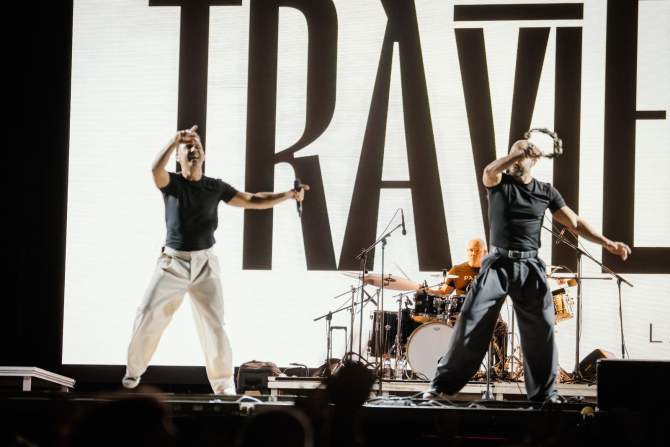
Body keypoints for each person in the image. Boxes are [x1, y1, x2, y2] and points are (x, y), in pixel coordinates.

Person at [424, 138, 630, 402]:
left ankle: (544, 396)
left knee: (541, 331)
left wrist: (608, 243)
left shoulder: (545, 192)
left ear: (534, 160)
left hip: (529, 265)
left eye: (522, 154)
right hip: (498, 264)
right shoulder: (499, 183)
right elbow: (489, 171)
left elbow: (575, 222)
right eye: (512, 153)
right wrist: (516, 155)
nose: (516, 157)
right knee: (471, 322)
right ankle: (441, 386)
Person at [122, 125, 308, 395]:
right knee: (149, 314)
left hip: (205, 264)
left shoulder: (215, 187)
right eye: (188, 147)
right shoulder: (172, 183)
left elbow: (253, 199)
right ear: (178, 157)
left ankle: (223, 386)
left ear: (204, 155)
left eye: (197, 145)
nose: (193, 149)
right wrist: (174, 141)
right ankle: (133, 373)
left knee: (214, 326)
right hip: (172, 263)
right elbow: (155, 169)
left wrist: (289, 195)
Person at [425, 238, 508, 371]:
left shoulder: (492, 270)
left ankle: (499, 368)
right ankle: (459, 367)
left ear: (485, 252)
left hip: (486, 314)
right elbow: (444, 292)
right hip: (461, 315)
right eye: (471, 250)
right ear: (467, 251)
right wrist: (428, 290)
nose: (473, 253)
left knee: (501, 327)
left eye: (477, 250)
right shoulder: (456, 270)